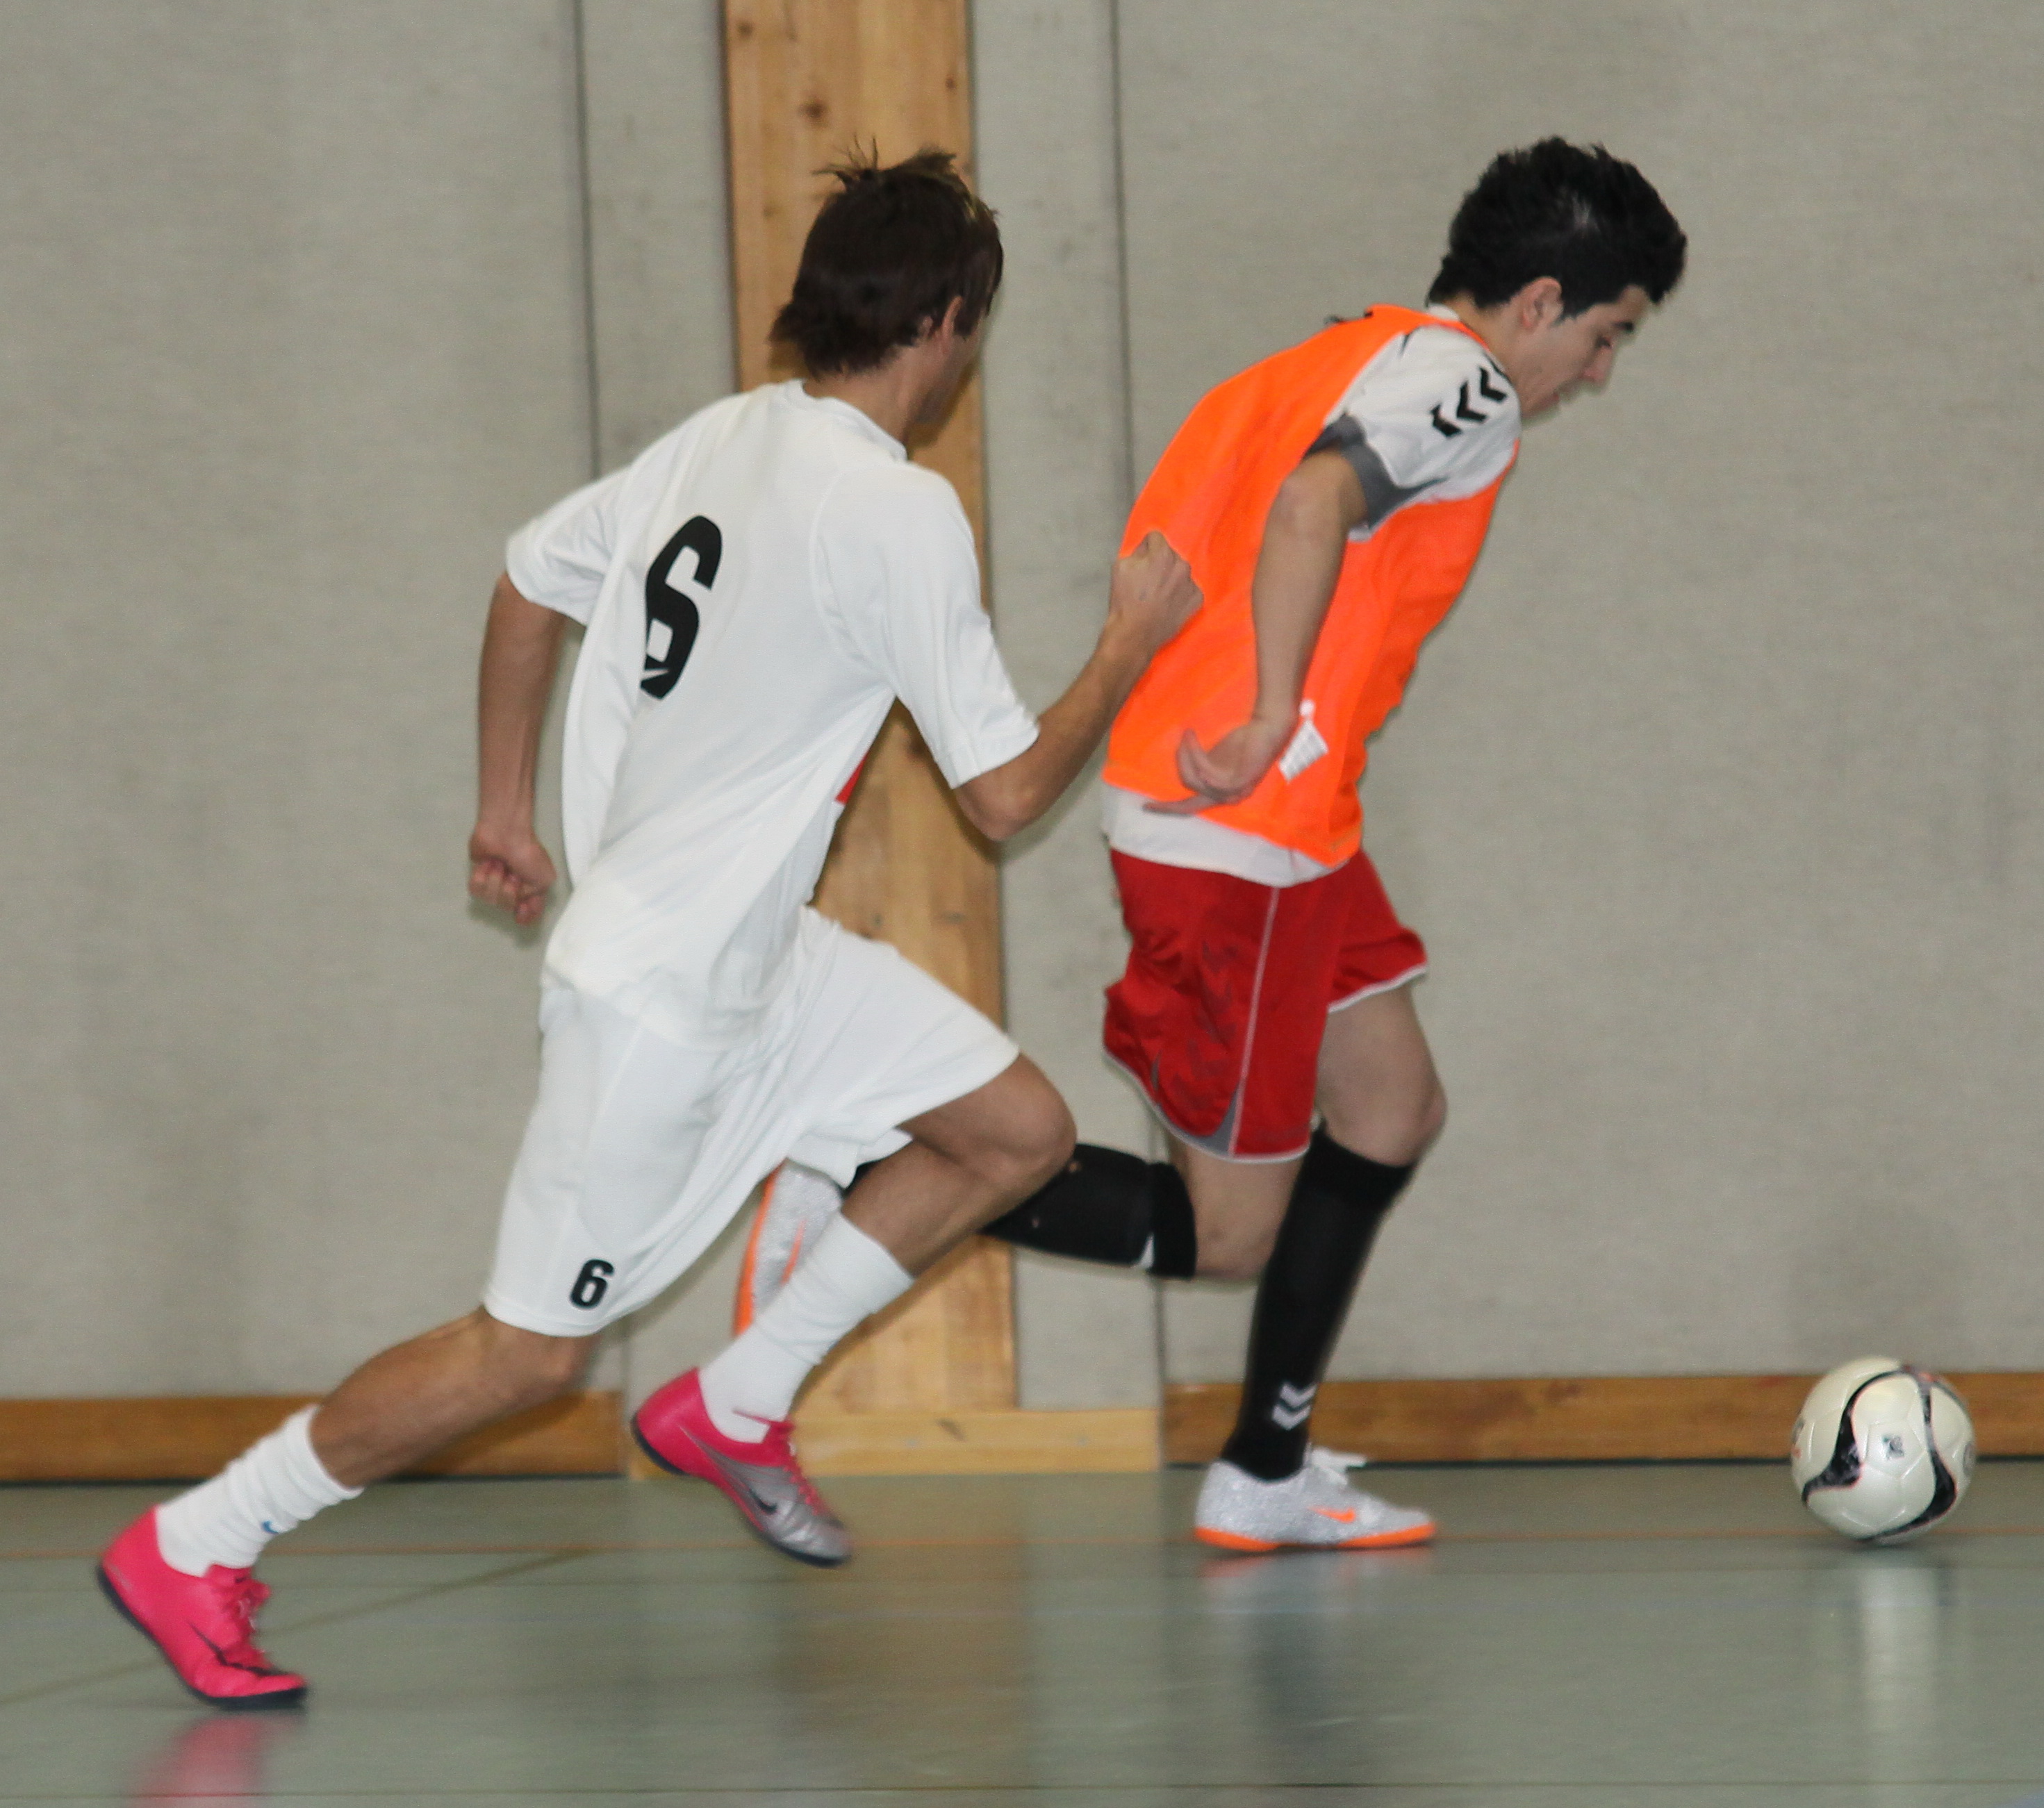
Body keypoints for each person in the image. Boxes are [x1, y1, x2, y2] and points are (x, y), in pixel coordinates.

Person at [96, 149, 1198, 1708]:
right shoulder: (897, 511)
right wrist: (1128, 645)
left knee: (1011, 1131)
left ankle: (736, 1402)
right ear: (948, 323)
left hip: (764, 963)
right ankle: (199, 1540)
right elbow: (1007, 796)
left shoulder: (722, 437)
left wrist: (503, 806)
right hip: (662, 994)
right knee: (531, 1357)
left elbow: (524, 582)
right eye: (973, 328)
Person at [743, 139, 1686, 1554]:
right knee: (1230, 1230)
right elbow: (1313, 505)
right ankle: (864, 1158)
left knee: (1390, 1107)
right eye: (1607, 335)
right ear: (1539, 302)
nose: (1598, 371)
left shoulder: (1323, 356)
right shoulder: (1471, 388)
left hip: (1289, 824)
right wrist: (1265, 717)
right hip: (1238, 828)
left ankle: (1265, 1465)